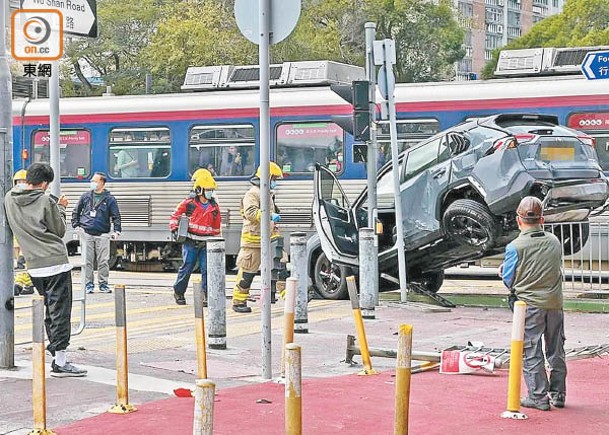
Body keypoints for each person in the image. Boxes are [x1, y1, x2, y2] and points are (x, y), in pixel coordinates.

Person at [5, 163, 87, 377]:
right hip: (55, 263)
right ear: (43, 183)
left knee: (50, 311)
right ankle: (60, 361)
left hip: (33, 265)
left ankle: (55, 357)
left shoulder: (9, 198)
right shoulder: (44, 200)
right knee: (60, 311)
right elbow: (59, 230)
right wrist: (61, 207)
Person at [501, 196, 566, 411]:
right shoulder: (554, 241)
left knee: (531, 350)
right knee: (556, 348)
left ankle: (538, 397)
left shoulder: (515, 247)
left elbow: (508, 280)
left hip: (529, 306)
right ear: (543, 220)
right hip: (555, 304)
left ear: (519, 220)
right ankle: (558, 394)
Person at [232, 162, 284, 313]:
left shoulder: (267, 193)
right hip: (253, 241)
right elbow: (251, 213)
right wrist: (270, 215)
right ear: (267, 178)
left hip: (271, 239)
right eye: (274, 179)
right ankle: (238, 302)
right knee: (247, 274)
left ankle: (291, 299)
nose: (275, 182)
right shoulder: (253, 193)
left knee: (281, 269)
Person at [169, 169, 221, 305]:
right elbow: (175, 216)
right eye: (208, 189)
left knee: (207, 270)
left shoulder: (214, 207)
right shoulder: (189, 203)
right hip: (191, 241)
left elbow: (216, 227)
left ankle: (206, 296)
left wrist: (217, 242)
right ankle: (179, 292)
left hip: (206, 243)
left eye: (211, 189)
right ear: (199, 190)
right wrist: (174, 229)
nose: (210, 192)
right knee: (187, 267)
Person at [71, 172, 122, 294]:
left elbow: (116, 216)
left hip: (103, 234)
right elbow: (76, 211)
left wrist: (117, 231)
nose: (92, 183)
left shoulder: (110, 199)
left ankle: (103, 284)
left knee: (103, 261)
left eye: (95, 181)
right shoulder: (86, 196)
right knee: (87, 261)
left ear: (102, 183)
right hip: (86, 233)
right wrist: (76, 225)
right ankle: (88, 284)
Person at [12, 169, 35, 296]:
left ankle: (18, 284)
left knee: (22, 262)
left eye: (23, 181)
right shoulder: (12, 197)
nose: (21, 183)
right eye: (18, 181)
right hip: (16, 235)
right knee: (19, 260)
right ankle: (29, 284)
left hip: (27, 235)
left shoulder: (32, 198)